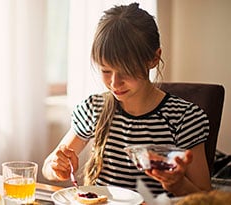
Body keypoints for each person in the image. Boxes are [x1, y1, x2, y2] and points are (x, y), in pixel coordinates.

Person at [42, 3, 211, 197]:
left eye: (126, 71)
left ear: (154, 58)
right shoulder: (94, 109)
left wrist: (178, 185)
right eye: (105, 70)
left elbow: (206, 198)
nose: (115, 83)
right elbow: (48, 168)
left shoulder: (184, 118)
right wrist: (57, 167)